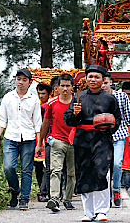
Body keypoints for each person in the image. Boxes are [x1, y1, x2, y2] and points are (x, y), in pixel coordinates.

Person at [63, 65, 121, 222]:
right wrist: (74, 114)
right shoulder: (78, 97)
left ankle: (102, 210)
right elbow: (68, 120)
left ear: (103, 80)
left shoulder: (110, 98)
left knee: (101, 172)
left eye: (97, 77)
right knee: (84, 174)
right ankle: (88, 212)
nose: (93, 79)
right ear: (86, 79)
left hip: (102, 139)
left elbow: (118, 119)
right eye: (90, 77)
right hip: (82, 139)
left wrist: (107, 130)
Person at [0, 68, 42, 210]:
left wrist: (39, 143)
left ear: (30, 82)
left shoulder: (34, 99)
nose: (21, 82)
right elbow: (2, 119)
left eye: (24, 80)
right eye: (18, 79)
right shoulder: (8, 97)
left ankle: (24, 200)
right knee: (8, 167)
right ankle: (15, 190)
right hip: (11, 137)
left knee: (27, 169)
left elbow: (37, 123)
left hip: (29, 138)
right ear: (15, 80)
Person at [39, 74, 76, 212]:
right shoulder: (51, 104)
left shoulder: (77, 103)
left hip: (73, 142)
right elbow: (45, 123)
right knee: (56, 170)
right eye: (62, 86)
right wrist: (40, 143)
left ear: (72, 87)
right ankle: (54, 198)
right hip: (57, 141)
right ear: (57, 87)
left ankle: (68, 199)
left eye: (68, 86)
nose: (65, 89)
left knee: (71, 173)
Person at [102, 74, 130, 206]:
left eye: (105, 82)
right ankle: (107, 195)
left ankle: (116, 189)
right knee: (104, 167)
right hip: (102, 137)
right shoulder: (96, 97)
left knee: (117, 163)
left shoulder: (122, 97)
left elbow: (129, 117)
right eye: (102, 83)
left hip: (119, 135)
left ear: (111, 82)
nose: (103, 85)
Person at [35, 83, 52, 202]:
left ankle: (44, 191)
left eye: (43, 94)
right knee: (38, 166)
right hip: (36, 137)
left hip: (47, 137)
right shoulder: (37, 104)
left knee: (47, 167)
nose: (40, 96)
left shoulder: (48, 105)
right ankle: (42, 189)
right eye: (39, 93)